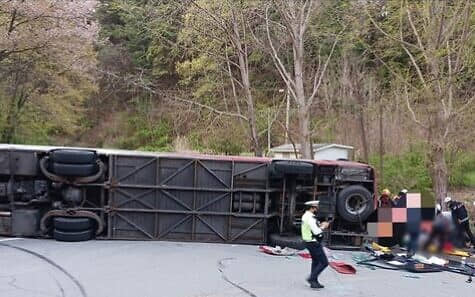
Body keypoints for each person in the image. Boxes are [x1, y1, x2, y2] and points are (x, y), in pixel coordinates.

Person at [301, 200, 329, 289]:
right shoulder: (310, 218)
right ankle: (312, 278)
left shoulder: (306, 216)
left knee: (316, 261)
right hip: (313, 242)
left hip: (308, 241)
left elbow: (311, 228)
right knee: (324, 262)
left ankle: (314, 282)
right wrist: (324, 226)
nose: (317, 209)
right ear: (312, 208)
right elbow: (316, 232)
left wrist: (319, 225)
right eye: (316, 207)